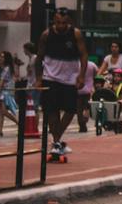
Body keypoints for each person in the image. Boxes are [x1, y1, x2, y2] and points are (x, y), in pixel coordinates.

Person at [36, 10, 88, 159]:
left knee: (71, 110)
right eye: (58, 22)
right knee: (52, 111)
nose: (60, 26)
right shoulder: (46, 35)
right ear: (53, 21)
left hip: (70, 78)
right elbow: (39, 58)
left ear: (69, 22)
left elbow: (84, 54)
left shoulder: (76, 34)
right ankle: (57, 143)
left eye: (64, 23)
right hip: (50, 77)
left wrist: (81, 75)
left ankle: (56, 139)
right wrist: (39, 78)